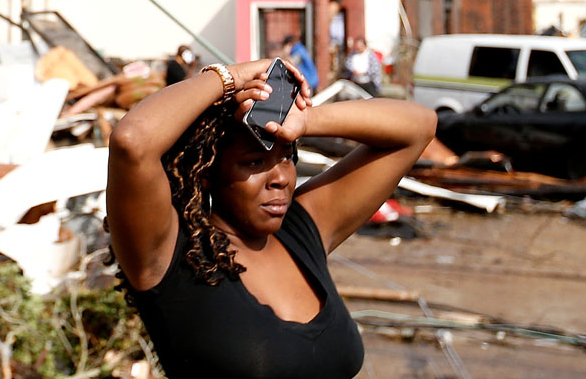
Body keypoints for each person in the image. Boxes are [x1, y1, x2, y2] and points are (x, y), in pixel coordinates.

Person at [106, 59, 435, 377]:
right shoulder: (169, 256)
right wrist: (229, 76)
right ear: (207, 172)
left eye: (288, 156)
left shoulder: (301, 231)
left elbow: (419, 125)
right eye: (253, 163)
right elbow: (133, 141)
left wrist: (302, 120)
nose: (280, 177)